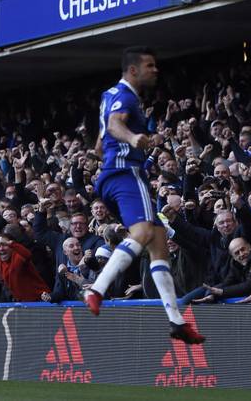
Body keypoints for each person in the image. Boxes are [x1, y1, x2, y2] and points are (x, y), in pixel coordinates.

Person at [85, 47, 205, 344]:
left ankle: (177, 321)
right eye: (150, 65)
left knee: (159, 239)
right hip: (127, 175)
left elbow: (101, 144)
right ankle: (96, 289)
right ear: (133, 70)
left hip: (110, 176)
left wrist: (149, 139)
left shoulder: (109, 95)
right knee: (143, 232)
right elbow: (115, 126)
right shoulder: (126, 98)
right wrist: (134, 138)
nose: (156, 70)